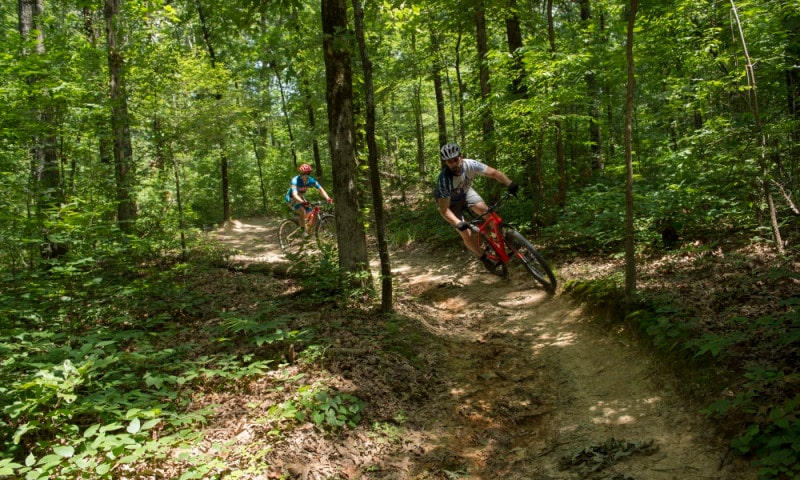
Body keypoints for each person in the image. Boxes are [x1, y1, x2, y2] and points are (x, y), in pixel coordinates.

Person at [434, 143, 519, 274]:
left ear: (461, 157)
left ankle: (498, 242)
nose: (454, 164)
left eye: (456, 160)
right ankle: (483, 257)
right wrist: (458, 223)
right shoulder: (444, 181)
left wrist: (510, 183)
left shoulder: (470, 164)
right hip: (450, 204)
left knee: (490, 215)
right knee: (466, 233)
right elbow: (443, 210)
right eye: (450, 162)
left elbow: (494, 173)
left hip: (466, 192)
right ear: (446, 163)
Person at [285, 163, 334, 236]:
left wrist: (327, 198)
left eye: (308, 173)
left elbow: (320, 189)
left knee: (311, 214)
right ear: (300, 174)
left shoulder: (311, 180)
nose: (306, 175)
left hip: (300, 198)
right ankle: (302, 230)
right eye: (303, 174)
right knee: (302, 211)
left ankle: (307, 231)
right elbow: (294, 195)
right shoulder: (295, 180)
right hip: (291, 198)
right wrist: (302, 202)